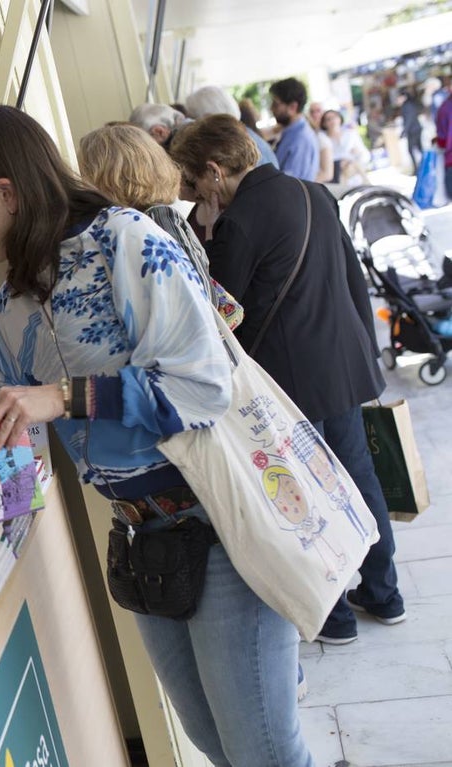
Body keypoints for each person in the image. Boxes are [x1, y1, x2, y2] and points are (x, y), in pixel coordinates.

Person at [0, 105, 313, 767]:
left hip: (219, 527)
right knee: (217, 742)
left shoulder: (126, 240)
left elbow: (202, 384)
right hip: (144, 541)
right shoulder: (17, 300)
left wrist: (65, 397)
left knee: (265, 753)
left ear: (7, 193)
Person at [170, 114, 406, 644]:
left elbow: (223, 311)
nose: (189, 194)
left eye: (190, 182)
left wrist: (206, 236)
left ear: (213, 171)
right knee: (357, 480)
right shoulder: (312, 193)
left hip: (291, 382)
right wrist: (367, 352)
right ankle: (385, 593)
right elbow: (351, 276)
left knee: (309, 500)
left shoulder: (239, 222)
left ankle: (336, 617)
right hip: (342, 362)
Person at [76, 122, 242, 330]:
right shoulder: (129, 223)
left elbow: (200, 296)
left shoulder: (157, 218)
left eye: (86, 173)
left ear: (107, 177)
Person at [186, 85, 279, 170]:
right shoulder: (246, 136)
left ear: (208, 119)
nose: (192, 128)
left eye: (194, 121)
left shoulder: (235, 148)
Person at [269, 77, 319, 181]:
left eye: (276, 104)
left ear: (292, 107)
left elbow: (289, 186)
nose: (271, 108)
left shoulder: (300, 139)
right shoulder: (292, 132)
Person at [320, 109, 370, 185]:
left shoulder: (351, 134)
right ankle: (367, 183)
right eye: (328, 119)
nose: (332, 121)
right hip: (335, 171)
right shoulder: (324, 140)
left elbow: (365, 155)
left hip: (353, 169)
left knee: (351, 166)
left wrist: (357, 154)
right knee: (347, 167)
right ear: (324, 123)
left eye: (334, 117)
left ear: (339, 118)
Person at [305, 101, 335, 184]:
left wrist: (303, 185)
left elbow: (327, 174)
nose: (315, 115)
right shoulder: (309, 134)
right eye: (312, 112)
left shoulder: (322, 138)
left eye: (318, 111)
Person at [397, 90, 424, 174]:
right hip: (415, 129)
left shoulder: (406, 106)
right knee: (418, 148)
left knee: (412, 149)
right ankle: (422, 166)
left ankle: (417, 168)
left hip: (413, 130)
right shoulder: (409, 105)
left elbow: (409, 119)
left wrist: (404, 131)